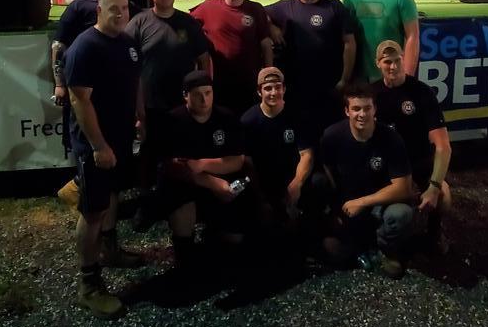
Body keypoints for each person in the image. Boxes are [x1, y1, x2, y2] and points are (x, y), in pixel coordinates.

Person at [64, 0, 144, 318]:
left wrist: (140, 118)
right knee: (93, 211)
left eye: (125, 8)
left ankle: (110, 249)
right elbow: (78, 100)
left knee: (111, 197)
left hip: (121, 141)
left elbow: (136, 83)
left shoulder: (126, 43)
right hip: (97, 146)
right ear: (99, 10)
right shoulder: (85, 47)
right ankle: (88, 284)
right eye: (114, 9)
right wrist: (98, 146)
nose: (121, 14)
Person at [52, 0, 139, 205]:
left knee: (109, 192)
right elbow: (58, 46)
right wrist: (59, 82)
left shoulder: (126, 36)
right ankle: (78, 190)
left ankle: (106, 238)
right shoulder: (80, 9)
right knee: (94, 206)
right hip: (87, 93)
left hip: (117, 126)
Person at [156, 70, 251, 271]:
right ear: (185, 95)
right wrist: (211, 182)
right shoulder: (173, 121)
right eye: (197, 94)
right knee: (180, 202)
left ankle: (217, 233)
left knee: (235, 239)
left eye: (208, 92)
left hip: (220, 180)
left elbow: (236, 161)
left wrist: (204, 164)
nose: (204, 99)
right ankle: (184, 253)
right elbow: (173, 167)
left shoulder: (226, 117)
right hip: (187, 184)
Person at [320, 80, 415, 278]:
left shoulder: (391, 138)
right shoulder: (332, 136)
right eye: (356, 109)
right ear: (347, 111)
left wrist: (362, 202)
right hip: (349, 202)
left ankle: (386, 248)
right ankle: (358, 244)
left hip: (380, 204)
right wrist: (338, 205)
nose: (362, 114)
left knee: (400, 214)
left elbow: (404, 188)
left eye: (367, 108)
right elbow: (327, 169)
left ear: (374, 109)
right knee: (333, 252)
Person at [125, 0, 211, 173]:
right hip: (150, 103)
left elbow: (203, 59)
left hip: (182, 103)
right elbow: (127, 61)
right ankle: (149, 192)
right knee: (151, 151)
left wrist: (204, 91)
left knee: (183, 150)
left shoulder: (188, 23)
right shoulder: (139, 23)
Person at [371, 39, 451, 251]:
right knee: (394, 213)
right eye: (387, 61)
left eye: (397, 60)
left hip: (418, 161)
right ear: (378, 63)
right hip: (388, 167)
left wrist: (433, 186)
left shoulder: (422, 92)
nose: (393, 66)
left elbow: (443, 146)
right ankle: (386, 241)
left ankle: (434, 231)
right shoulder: (372, 95)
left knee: (444, 194)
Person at [268, 0, 355, 137]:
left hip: (329, 86)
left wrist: (344, 79)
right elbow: (259, 13)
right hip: (297, 89)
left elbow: (349, 43)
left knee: (330, 133)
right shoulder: (285, 7)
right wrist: (271, 27)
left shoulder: (334, 7)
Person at [191, 0, 273, 115]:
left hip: (248, 83)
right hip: (219, 83)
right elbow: (187, 21)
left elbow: (266, 45)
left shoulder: (255, 9)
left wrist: (268, 76)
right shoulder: (208, 7)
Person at [240, 67, 315, 220]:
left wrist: (297, 183)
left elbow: (307, 155)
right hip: (263, 180)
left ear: (284, 89)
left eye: (277, 87)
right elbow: (247, 163)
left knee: (318, 183)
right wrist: (260, 197)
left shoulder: (297, 115)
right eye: (268, 88)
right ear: (259, 92)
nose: (273, 92)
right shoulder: (248, 121)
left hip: (292, 176)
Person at [343, 0, 419, 83]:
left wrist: (407, 76)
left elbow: (412, 36)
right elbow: (346, 40)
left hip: (391, 75)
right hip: (361, 76)